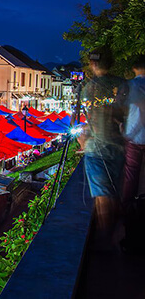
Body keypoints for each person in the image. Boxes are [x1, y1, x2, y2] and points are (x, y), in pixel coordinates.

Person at [78, 48, 125, 241]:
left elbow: (94, 120)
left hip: (98, 149)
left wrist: (84, 138)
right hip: (119, 147)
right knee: (112, 192)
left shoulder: (91, 88)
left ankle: (106, 238)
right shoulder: (123, 85)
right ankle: (111, 233)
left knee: (103, 194)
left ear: (92, 64)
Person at [120, 54, 145, 203]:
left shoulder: (132, 86)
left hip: (135, 138)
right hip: (135, 136)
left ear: (134, 68)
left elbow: (137, 112)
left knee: (131, 175)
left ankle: (127, 209)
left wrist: (127, 133)